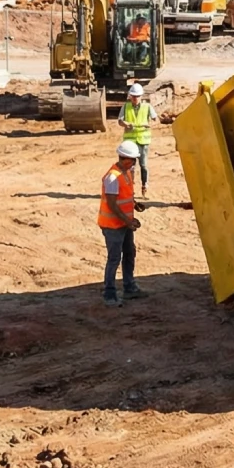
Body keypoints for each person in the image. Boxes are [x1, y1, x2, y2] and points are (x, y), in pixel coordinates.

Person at [98, 141, 144, 307]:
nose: (134, 163)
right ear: (124, 159)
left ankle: (129, 287)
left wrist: (135, 204)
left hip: (124, 224)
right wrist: (128, 221)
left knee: (129, 253)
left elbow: (125, 196)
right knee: (114, 258)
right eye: (133, 160)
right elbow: (112, 204)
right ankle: (109, 293)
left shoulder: (126, 172)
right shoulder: (112, 177)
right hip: (112, 226)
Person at [118, 83, 155, 197]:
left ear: (141, 96)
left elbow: (155, 119)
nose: (135, 98)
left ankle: (144, 186)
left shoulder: (147, 107)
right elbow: (120, 121)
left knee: (143, 165)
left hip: (143, 141)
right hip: (130, 143)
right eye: (133, 96)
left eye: (137, 96)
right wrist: (125, 124)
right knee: (130, 167)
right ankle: (130, 189)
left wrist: (149, 124)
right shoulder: (126, 107)